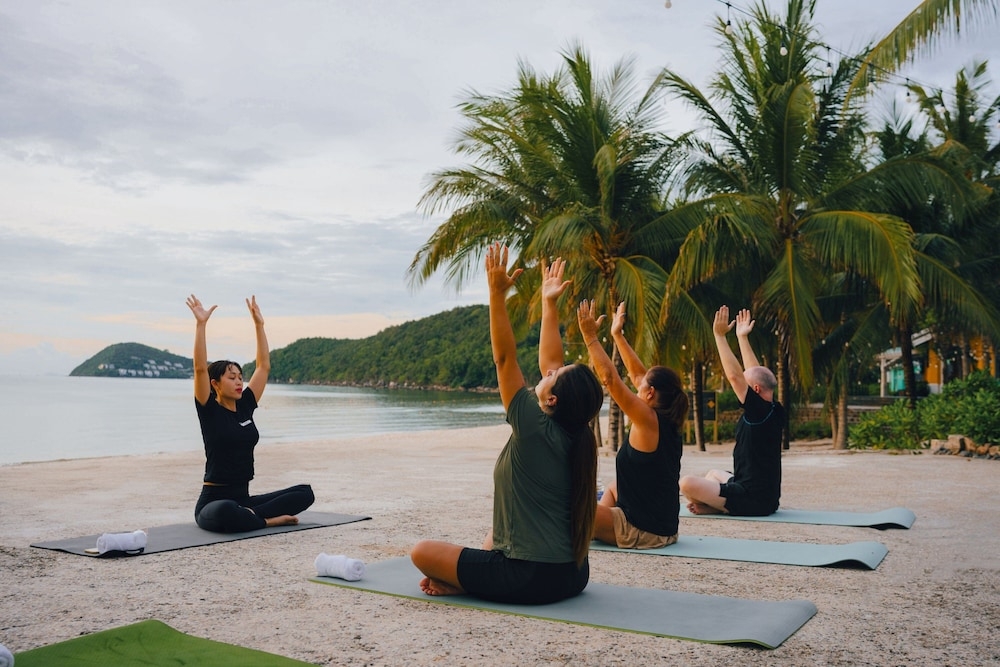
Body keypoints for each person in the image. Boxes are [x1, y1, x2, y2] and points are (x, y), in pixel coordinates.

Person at [410, 246, 604, 605]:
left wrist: (496, 295)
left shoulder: (534, 426)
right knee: (491, 536)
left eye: (554, 376)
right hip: (573, 575)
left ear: (553, 401)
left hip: (529, 579)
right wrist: (548, 306)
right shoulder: (576, 433)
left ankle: (470, 584)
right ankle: (474, 580)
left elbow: (504, 359)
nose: (549, 370)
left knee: (422, 553)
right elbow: (551, 360)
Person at [187, 294, 315, 533]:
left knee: (305, 493)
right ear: (215, 383)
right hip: (215, 501)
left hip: (244, 499)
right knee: (225, 510)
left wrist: (259, 325)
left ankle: (250, 516)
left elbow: (263, 366)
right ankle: (266, 521)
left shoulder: (245, 404)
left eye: (240, 377)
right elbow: (199, 368)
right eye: (231, 377)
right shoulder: (209, 410)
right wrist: (201, 324)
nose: (238, 382)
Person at [577, 299, 687, 548]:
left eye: (642, 388)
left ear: (650, 394)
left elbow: (610, 380)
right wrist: (617, 335)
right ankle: (592, 524)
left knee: (568, 505)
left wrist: (590, 337)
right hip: (662, 526)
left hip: (643, 530)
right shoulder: (665, 415)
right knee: (615, 488)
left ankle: (589, 523)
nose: (637, 385)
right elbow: (639, 376)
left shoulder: (648, 420)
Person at [679, 306, 783, 516]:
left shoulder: (759, 413)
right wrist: (743, 338)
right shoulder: (773, 408)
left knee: (686, 484)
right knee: (713, 474)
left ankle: (716, 508)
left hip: (753, 499)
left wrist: (719, 337)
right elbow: (755, 374)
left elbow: (736, 377)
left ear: (754, 390)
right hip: (761, 494)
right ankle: (714, 506)